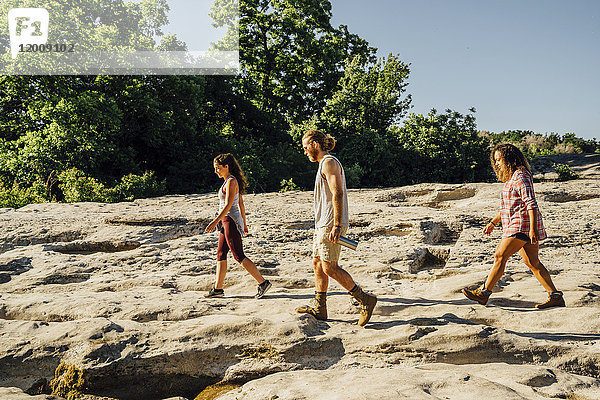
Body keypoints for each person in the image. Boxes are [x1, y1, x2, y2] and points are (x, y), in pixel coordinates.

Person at [462, 143, 565, 309]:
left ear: (509, 158)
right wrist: (493, 222)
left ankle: (484, 293)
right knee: (533, 263)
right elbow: (508, 206)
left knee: (499, 255)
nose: (497, 163)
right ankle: (555, 296)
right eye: (495, 160)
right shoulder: (511, 177)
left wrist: (533, 229)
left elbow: (531, 203)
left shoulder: (521, 176)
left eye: (499, 159)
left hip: (522, 225)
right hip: (515, 224)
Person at [296, 130, 377, 326]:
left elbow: (337, 192)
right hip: (322, 223)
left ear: (315, 144)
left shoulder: (329, 162)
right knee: (317, 264)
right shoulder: (323, 164)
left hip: (330, 223)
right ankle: (319, 307)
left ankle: (365, 300)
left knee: (329, 267)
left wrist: (337, 224)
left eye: (306, 147)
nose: (305, 151)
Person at [205, 153, 271, 299]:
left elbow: (229, 205)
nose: (216, 171)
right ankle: (218, 289)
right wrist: (244, 224)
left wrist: (215, 221)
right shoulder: (228, 181)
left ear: (226, 166)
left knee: (238, 255)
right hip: (226, 221)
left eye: (218, 168)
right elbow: (240, 203)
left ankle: (263, 283)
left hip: (230, 221)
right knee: (221, 254)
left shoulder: (231, 182)